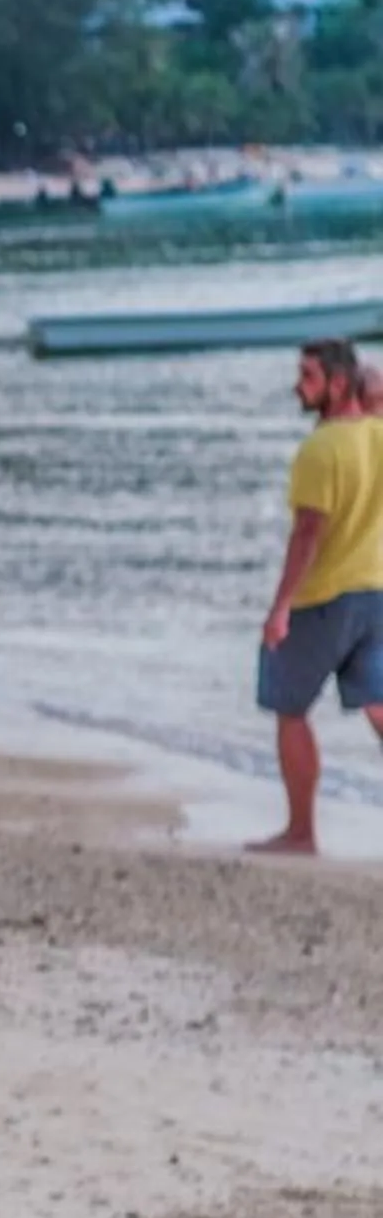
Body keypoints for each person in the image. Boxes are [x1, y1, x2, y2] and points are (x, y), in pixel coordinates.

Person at [252, 338, 383, 855]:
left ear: (337, 383)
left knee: (290, 709)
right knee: (378, 706)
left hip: (324, 599)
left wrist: (280, 607)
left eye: (307, 377)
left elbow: (308, 533)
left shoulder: (319, 449)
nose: (297, 386)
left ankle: (300, 832)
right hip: (378, 594)